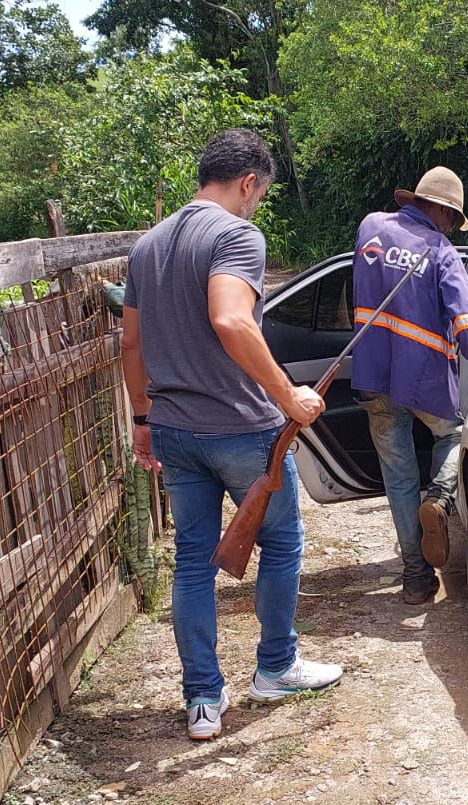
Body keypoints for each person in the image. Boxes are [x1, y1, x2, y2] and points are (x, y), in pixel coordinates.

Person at [121, 129, 342, 740]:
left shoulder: (147, 246)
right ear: (249, 182)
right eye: (261, 195)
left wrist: (141, 420)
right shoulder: (237, 235)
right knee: (282, 545)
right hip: (245, 432)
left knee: (191, 561)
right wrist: (288, 395)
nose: (258, 206)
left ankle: (201, 702)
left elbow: (131, 344)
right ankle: (275, 668)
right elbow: (230, 318)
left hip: (172, 429)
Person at [351, 167, 468, 604]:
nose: (451, 225)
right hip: (425, 376)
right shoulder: (442, 251)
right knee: (452, 435)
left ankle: (416, 578)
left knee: (397, 477)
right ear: (446, 213)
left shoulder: (370, 228)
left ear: (414, 200)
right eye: (453, 218)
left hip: (374, 373)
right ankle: (439, 498)